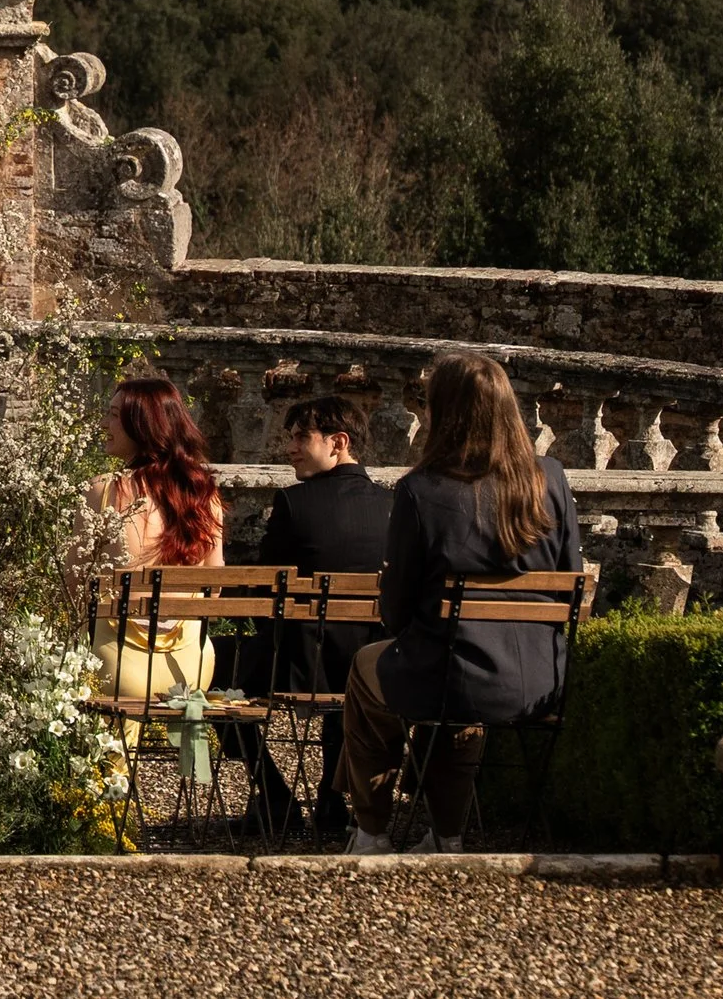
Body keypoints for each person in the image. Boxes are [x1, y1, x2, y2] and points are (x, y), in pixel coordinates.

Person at [340, 352, 583, 854]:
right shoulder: (551, 478)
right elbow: (570, 579)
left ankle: (371, 831)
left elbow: (396, 611)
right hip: (539, 680)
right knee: (447, 683)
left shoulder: (421, 490)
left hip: (449, 676)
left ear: (442, 411)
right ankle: (445, 835)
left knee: (371, 670)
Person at [236, 394, 394, 832]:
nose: (289, 448)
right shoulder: (393, 506)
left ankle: (273, 793)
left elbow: (263, 588)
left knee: (210, 673)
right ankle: (330, 795)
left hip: (298, 667)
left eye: (301, 438)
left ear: (337, 442)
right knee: (343, 678)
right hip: (374, 666)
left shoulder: (294, 503)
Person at [80, 376, 225, 706]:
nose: (103, 424)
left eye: (113, 415)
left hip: (118, 662)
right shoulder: (203, 493)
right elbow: (214, 584)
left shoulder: (104, 491)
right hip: (191, 666)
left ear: (142, 425)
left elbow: (75, 585)